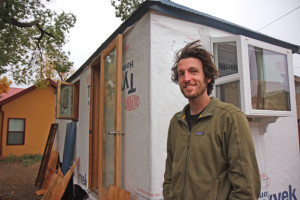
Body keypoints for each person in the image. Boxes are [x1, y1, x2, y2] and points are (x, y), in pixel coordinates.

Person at [163, 40, 261, 200]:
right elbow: (169, 176)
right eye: (181, 73)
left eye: (193, 71)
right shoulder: (176, 122)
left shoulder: (230, 118)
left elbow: (246, 189)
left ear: (208, 77)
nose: (186, 78)